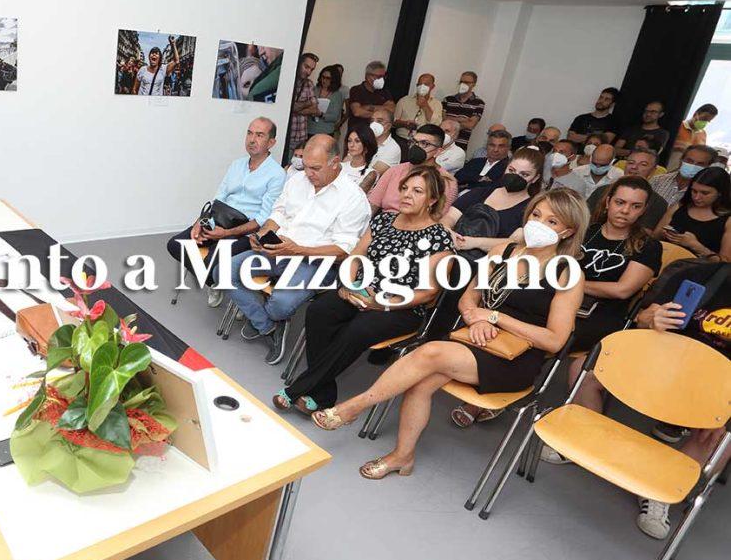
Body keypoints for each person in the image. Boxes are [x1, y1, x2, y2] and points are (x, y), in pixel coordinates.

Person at [310, 189, 588, 485]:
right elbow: (468, 299)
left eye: (552, 221)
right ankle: (403, 457)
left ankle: (355, 407)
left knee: (430, 354)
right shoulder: (503, 252)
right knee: (421, 381)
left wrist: (495, 317)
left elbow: (555, 341)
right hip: (474, 338)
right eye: (536, 214)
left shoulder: (567, 274)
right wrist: (473, 317)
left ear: (568, 231)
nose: (539, 223)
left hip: (515, 357)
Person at [273, 166, 455, 412]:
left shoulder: (439, 238)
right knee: (320, 310)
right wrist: (348, 285)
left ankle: (298, 388)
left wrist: (381, 303)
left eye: (417, 191)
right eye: (404, 189)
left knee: (358, 328)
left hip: (400, 306)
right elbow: (355, 256)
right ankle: (324, 393)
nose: (406, 195)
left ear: (432, 200)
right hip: (361, 291)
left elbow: (429, 292)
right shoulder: (383, 220)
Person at [528, 177, 661, 436]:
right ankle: (501, 393)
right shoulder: (586, 230)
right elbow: (549, 261)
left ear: (644, 210)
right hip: (558, 302)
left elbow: (622, 290)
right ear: (608, 201)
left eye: (635, 206)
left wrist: (571, 282)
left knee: (568, 352)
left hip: (603, 316)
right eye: (620, 202)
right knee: (523, 321)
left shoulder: (647, 246)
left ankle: (584, 438)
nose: (625, 210)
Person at [227, 135, 371, 365]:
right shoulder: (297, 180)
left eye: (316, 168)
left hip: (318, 261)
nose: (309, 174)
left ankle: (269, 318)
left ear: (336, 163)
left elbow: (344, 251)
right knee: (225, 270)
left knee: (280, 306)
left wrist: (298, 250)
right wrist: (264, 234)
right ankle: (267, 326)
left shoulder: (353, 198)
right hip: (281, 248)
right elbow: (279, 213)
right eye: (305, 167)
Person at [623, 260, 731, 539]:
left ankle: (660, 493)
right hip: (666, 364)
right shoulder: (701, 275)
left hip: (718, 388)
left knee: (725, 437)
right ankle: (582, 442)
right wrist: (652, 319)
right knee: (586, 371)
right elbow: (642, 316)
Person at [167, 118, 284, 307]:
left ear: (271, 143)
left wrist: (226, 234)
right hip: (219, 219)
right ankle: (215, 282)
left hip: (246, 230)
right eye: (249, 133)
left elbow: (263, 218)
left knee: (211, 261)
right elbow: (219, 198)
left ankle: (218, 282)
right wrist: (200, 221)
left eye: (259, 135)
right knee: (175, 244)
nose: (252, 139)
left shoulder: (277, 174)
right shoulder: (237, 164)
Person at [446, 147, 545, 256]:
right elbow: (450, 217)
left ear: (535, 178)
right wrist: (448, 230)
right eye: (511, 170)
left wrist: (474, 242)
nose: (515, 176)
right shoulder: (480, 192)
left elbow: (514, 242)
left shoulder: (532, 209)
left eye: (524, 174)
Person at [368, 125, 459, 215]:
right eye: (414, 142)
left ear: (438, 151)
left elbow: (441, 219)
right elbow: (372, 205)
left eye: (424, 143)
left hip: (418, 227)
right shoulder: (394, 171)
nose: (416, 147)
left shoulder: (447, 181)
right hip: (382, 223)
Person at [654, 166, 731, 262]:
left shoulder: (727, 220)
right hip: (664, 260)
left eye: (705, 193)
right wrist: (664, 233)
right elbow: (654, 237)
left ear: (720, 193)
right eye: (694, 191)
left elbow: (725, 263)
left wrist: (696, 246)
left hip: (699, 271)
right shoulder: (679, 207)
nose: (697, 197)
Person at [586, 147, 669, 228]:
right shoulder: (602, 190)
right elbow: (585, 219)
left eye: (643, 164)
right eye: (631, 163)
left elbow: (644, 234)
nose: (634, 167)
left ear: (653, 170)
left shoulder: (658, 202)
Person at [649, 144, 719, 207]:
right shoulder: (658, 180)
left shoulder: (703, 193)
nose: (693, 166)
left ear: (708, 167)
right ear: (681, 160)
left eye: (700, 164)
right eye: (689, 161)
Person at [552, 143, 622, 199]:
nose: (597, 167)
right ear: (591, 158)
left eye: (603, 165)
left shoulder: (619, 177)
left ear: (612, 162)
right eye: (594, 163)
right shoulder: (577, 172)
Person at [343, 60, 395, 132]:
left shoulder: (385, 92)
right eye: (379, 76)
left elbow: (391, 109)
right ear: (368, 76)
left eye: (384, 76)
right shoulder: (356, 90)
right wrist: (381, 115)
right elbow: (357, 112)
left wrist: (369, 107)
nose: (382, 79)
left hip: (376, 135)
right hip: (357, 133)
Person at [393, 73, 443, 143]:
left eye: (426, 84)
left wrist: (425, 106)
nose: (422, 87)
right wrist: (405, 124)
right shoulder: (404, 100)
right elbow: (394, 122)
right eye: (420, 84)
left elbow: (436, 125)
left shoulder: (437, 104)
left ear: (432, 86)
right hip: (402, 139)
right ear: (417, 86)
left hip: (422, 143)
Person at [442, 71, 485, 150]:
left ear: (474, 84)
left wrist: (450, 120)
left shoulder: (479, 103)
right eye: (461, 82)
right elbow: (443, 120)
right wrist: (462, 119)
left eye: (467, 82)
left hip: (460, 145)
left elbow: (471, 125)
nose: (463, 84)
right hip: (443, 143)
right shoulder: (448, 99)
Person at [289, 53, 320, 151]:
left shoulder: (309, 84)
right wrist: (307, 103)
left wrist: (294, 108)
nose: (309, 72)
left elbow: (314, 109)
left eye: (312, 69)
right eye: (306, 67)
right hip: (287, 135)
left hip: (301, 136)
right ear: (298, 63)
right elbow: (288, 106)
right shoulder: (288, 81)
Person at [307, 65, 345, 139]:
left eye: (328, 78)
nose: (324, 80)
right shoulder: (314, 89)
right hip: (310, 129)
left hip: (326, 132)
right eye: (323, 77)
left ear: (334, 80)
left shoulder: (337, 94)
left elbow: (335, 117)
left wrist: (321, 114)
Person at [340, 122, 379, 191]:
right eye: (349, 141)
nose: (351, 145)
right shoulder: (340, 166)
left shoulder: (370, 173)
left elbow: (356, 197)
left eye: (357, 141)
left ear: (366, 145)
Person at [369, 108, 403, 177]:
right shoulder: (363, 140)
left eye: (379, 121)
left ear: (388, 127)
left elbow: (372, 176)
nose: (373, 124)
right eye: (372, 121)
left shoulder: (393, 148)